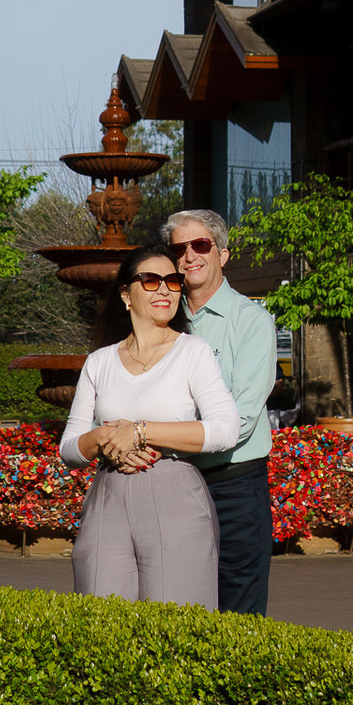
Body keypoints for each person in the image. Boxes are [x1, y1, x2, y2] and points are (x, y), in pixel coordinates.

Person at [59, 245, 239, 607]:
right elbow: (69, 448)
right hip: (108, 496)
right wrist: (108, 439)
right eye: (151, 280)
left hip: (174, 494)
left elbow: (225, 429)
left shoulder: (193, 352)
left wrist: (139, 430)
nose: (164, 290)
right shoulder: (99, 362)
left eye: (173, 282)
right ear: (126, 295)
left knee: (175, 627)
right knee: (100, 624)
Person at [165, 208, 278, 616]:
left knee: (239, 607)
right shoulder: (161, 320)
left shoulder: (251, 322)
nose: (189, 256)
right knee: (175, 604)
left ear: (222, 255)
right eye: (179, 247)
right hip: (172, 483)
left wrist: (153, 438)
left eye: (200, 245)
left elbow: (241, 420)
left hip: (233, 485)